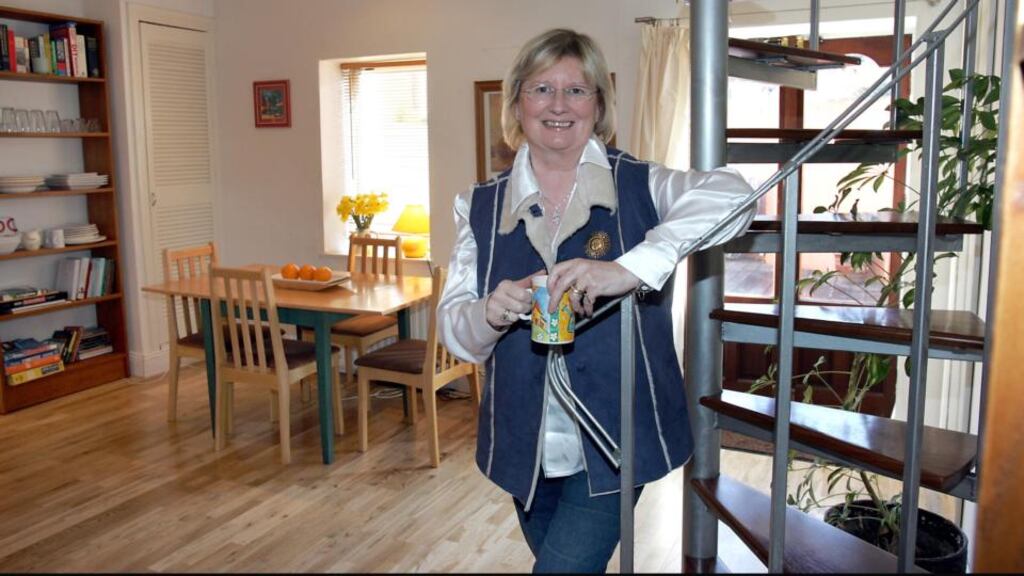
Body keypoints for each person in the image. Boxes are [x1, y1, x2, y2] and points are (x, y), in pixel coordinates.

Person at [437, 28, 755, 573]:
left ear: (599, 106)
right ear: (517, 101)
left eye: (577, 90)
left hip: (616, 442)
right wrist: (490, 311)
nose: (559, 105)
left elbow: (734, 198)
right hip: (525, 449)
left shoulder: (643, 183)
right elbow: (455, 333)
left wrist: (628, 268)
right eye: (542, 89)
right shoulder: (479, 206)